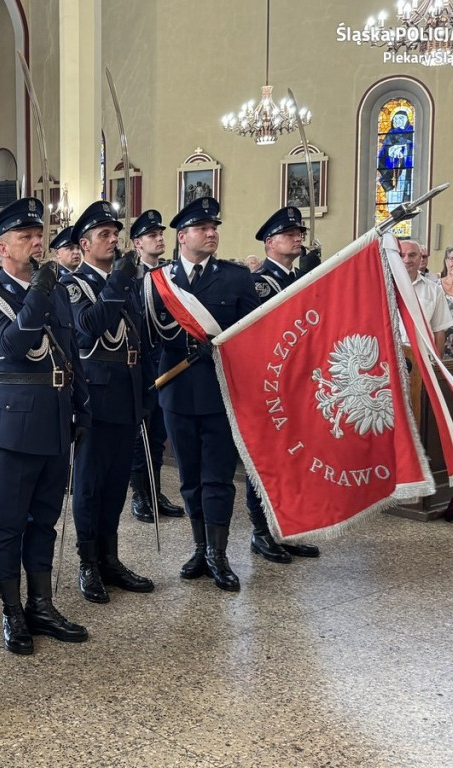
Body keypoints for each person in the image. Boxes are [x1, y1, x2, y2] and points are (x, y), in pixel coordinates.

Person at [0, 197, 90, 654]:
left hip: (56, 420)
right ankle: (12, 611)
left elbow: (70, 351)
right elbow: (11, 347)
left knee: (46, 521)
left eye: (38, 235)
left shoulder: (55, 291)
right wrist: (37, 293)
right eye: (25, 237)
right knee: (9, 523)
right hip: (14, 429)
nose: (37, 242)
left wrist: (82, 407)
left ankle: (42, 604)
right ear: (1, 248)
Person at [148, 197, 259, 591]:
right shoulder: (159, 280)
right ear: (183, 237)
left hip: (220, 393)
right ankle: (199, 548)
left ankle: (219, 553)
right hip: (175, 391)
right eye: (203, 228)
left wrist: (223, 347)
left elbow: (253, 334)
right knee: (189, 477)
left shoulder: (235, 278)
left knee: (218, 477)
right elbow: (147, 336)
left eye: (215, 228)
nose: (211, 233)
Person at [61, 201, 155, 604]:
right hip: (95, 397)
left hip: (128, 394)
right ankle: (87, 562)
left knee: (116, 484)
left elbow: (140, 339)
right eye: (104, 234)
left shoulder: (127, 282)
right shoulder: (72, 284)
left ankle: (110, 558)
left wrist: (146, 391)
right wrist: (115, 284)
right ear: (83, 244)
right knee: (89, 485)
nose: (113, 240)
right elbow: (86, 332)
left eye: (115, 234)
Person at [244, 207, 323, 564]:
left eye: (299, 233)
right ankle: (262, 531)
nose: (298, 238)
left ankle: (287, 528)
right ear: (269, 242)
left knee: (295, 458)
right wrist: (303, 284)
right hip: (267, 386)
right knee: (267, 460)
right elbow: (271, 327)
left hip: (298, 384)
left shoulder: (297, 277)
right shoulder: (260, 282)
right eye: (289, 234)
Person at [127, 209, 183, 523]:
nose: (159, 238)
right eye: (152, 235)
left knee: (158, 433)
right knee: (142, 435)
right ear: (137, 243)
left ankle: (155, 490)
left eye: (161, 234)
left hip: (167, 363)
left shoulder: (170, 274)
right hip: (142, 364)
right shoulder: (131, 277)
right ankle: (140, 496)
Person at [399, 238, 450, 357]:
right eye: (401, 255)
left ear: (420, 258)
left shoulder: (434, 290)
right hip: (388, 357)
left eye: (412, 255)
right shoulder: (382, 288)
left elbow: (439, 331)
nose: (407, 260)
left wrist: (437, 362)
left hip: (423, 358)